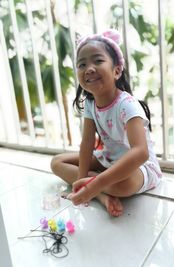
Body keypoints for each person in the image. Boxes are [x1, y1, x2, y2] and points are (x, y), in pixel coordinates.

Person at [51, 29, 162, 217]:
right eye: (82, 64)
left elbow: (140, 152)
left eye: (98, 60)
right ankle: (100, 195)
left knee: (124, 184)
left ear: (117, 70)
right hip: (108, 159)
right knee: (57, 162)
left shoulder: (127, 104)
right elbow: (87, 144)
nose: (89, 68)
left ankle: (97, 188)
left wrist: (96, 183)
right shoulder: (90, 103)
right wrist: (81, 183)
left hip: (139, 168)